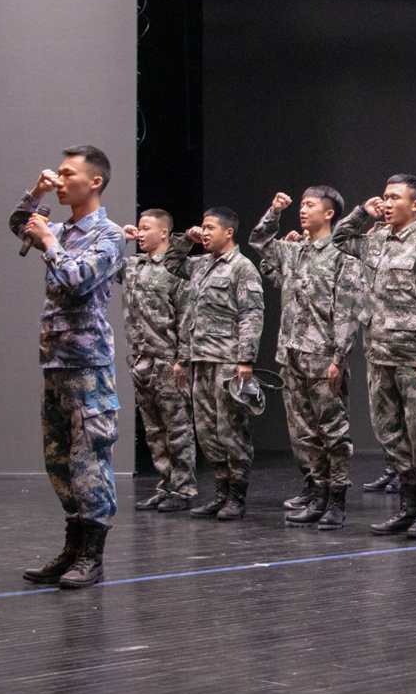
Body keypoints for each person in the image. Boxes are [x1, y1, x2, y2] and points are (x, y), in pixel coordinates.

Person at [12, 146, 125, 589]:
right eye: (55, 175)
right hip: (56, 363)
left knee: (89, 461)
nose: (59, 181)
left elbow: (78, 279)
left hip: (88, 366)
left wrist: (50, 242)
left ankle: (93, 558)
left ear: (94, 182)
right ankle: (72, 549)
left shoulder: (109, 235)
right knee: (59, 462)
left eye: (66, 174)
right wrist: (35, 194)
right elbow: (19, 224)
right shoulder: (58, 228)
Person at [333, 175, 416, 539]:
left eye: (394, 197)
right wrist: (360, 212)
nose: (386, 203)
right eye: (384, 196)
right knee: (390, 434)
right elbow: (339, 239)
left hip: (414, 358)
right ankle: (407, 507)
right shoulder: (375, 240)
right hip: (379, 355)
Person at [250, 188, 362, 530]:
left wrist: (339, 358)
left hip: (323, 356)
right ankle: (317, 496)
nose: (302, 210)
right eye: (301, 204)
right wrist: (274, 211)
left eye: (310, 205)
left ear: (329, 213)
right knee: (306, 433)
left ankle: (337, 501)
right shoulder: (294, 251)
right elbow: (259, 241)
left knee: (333, 432)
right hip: (292, 354)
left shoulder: (342, 254)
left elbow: (348, 311)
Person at [165, 207, 265, 521]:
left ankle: (237, 497)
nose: (205, 232)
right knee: (207, 431)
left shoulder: (242, 268)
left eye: (210, 228)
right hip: (202, 358)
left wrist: (246, 358)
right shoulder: (201, 264)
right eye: (203, 227)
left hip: (228, 361)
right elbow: (171, 262)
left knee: (230, 429)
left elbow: (251, 314)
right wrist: (186, 238)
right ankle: (221, 494)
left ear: (228, 232)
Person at [119, 209, 195, 513]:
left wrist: (183, 360)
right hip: (140, 359)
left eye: (145, 228)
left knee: (177, 427)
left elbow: (187, 316)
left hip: (167, 359)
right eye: (138, 227)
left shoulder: (176, 268)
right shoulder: (132, 266)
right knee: (153, 430)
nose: (140, 233)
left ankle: (183, 489)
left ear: (164, 233)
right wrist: (120, 239)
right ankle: (166, 485)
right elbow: (104, 266)